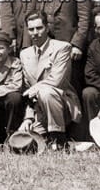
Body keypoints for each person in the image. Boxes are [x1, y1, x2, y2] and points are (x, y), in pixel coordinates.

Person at [19, 11, 82, 149]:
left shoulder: (62, 47)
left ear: (47, 28)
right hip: (38, 110)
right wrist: (28, 117)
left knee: (46, 91)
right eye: (31, 29)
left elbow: (56, 81)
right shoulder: (25, 54)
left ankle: (58, 140)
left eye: (39, 28)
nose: (35, 33)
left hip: (61, 106)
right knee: (27, 144)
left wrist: (36, 88)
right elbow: (27, 90)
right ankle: (47, 138)